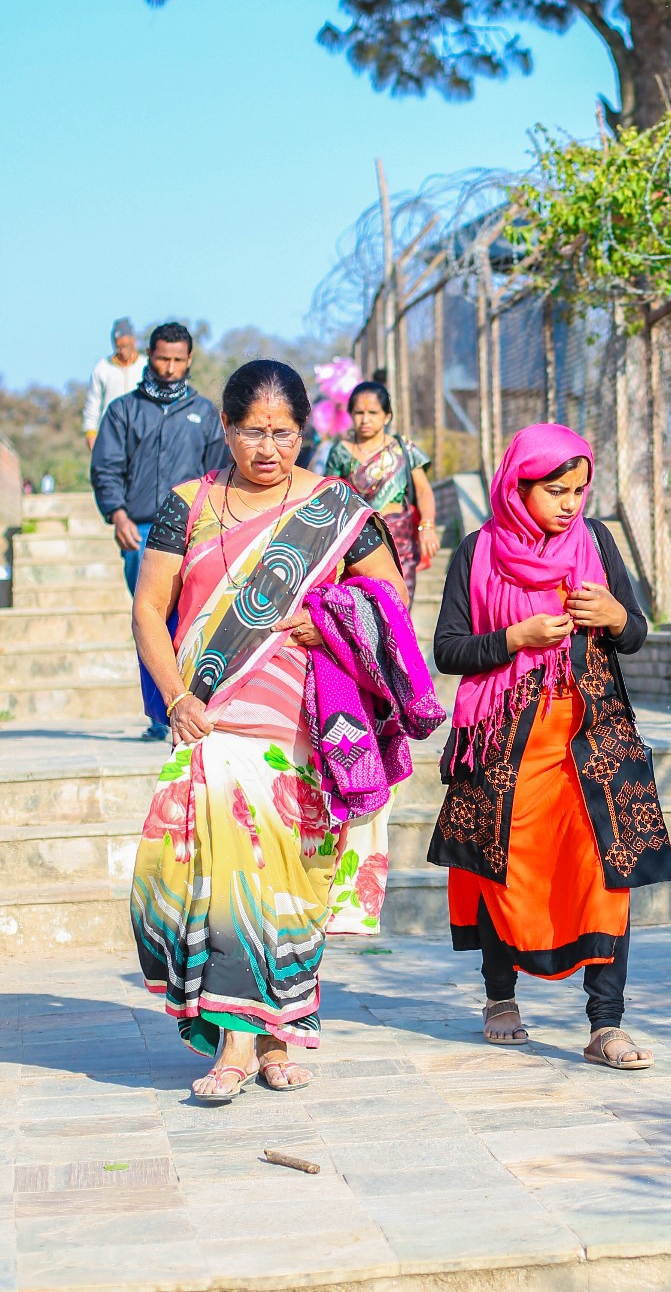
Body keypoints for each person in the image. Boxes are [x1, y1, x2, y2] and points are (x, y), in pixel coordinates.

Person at [128, 359, 411, 1103]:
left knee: (294, 885)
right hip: (216, 722)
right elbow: (148, 610)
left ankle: (283, 1033)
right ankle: (234, 1043)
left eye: (283, 433)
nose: (268, 449)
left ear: (304, 434)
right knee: (226, 884)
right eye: (252, 432)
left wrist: (327, 619)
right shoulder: (187, 506)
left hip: (310, 727)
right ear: (225, 429)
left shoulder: (335, 505)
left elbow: (392, 596)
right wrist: (177, 696)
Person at [427, 423, 671, 1068]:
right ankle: (501, 997)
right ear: (518, 485)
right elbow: (448, 649)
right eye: (555, 490)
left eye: (578, 490)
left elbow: (638, 630)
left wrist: (616, 619)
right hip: (504, 742)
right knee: (501, 871)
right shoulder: (478, 550)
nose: (570, 503)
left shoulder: (596, 541)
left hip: (592, 737)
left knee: (605, 870)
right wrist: (515, 636)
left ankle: (606, 1023)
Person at [91, 323, 228, 739]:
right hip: (142, 531)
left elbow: (220, 471)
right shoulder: (122, 410)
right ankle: (160, 714)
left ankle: (198, 705)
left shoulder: (205, 413)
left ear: (189, 361)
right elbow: (106, 468)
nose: (169, 367)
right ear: (149, 356)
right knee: (151, 619)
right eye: (162, 358)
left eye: (177, 360)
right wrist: (117, 515)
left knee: (196, 619)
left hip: (196, 530)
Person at [325, 381, 439, 604]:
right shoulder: (341, 451)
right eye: (359, 412)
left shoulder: (402, 448)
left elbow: (424, 490)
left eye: (373, 412)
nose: (365, 419)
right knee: (363, 609)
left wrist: (427, 525)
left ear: (387, 416)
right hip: (356, 542)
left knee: (398, 607)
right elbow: (329, 495)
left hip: (401, 542)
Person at [83, 318, 145, 451]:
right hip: (111, 436)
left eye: (126, 346)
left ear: (133, 341)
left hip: (140, 436)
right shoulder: (102, 368)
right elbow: (92, 405)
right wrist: (91, 434)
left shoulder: (145, 366)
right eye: (118, 347)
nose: (122, 351)